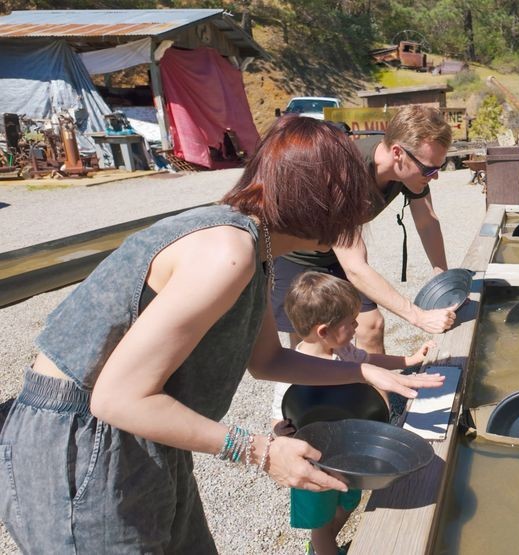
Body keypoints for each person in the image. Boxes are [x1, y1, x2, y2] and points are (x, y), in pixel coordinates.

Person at [0, 116, 445, 553]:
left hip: (145, 427)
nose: (358, 216)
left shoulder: (260, 248)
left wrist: (364, 372)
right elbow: (115, 399)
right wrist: (260, 451)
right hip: (82, 440)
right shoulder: (226, 251)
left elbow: (268, 360)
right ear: (320, 200)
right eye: (352, 201)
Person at [269, 271, 435, 555]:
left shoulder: (343, 352)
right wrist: (279, 431)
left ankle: (327, 543)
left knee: (348, 501)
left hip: (350, 451)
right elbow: (280, 418)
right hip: (314, 460)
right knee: (320, 523)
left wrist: (410, 359)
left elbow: (370, 360)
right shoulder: (294, 371)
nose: (357, 325)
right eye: (350, 322)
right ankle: (322, 548)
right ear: (324, 331)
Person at [273, 105, 455, 354]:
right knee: (315, 345)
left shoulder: (409, 173)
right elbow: (356, 267)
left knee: (371, 325)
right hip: (295, 254)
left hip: (334, 249)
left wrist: (441, 276)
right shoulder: (348, 172)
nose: (434, 176)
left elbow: (427, 221)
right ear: (398, 153)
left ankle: (377, 392)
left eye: (439, 167)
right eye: (429, 169)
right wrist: (418, 316)